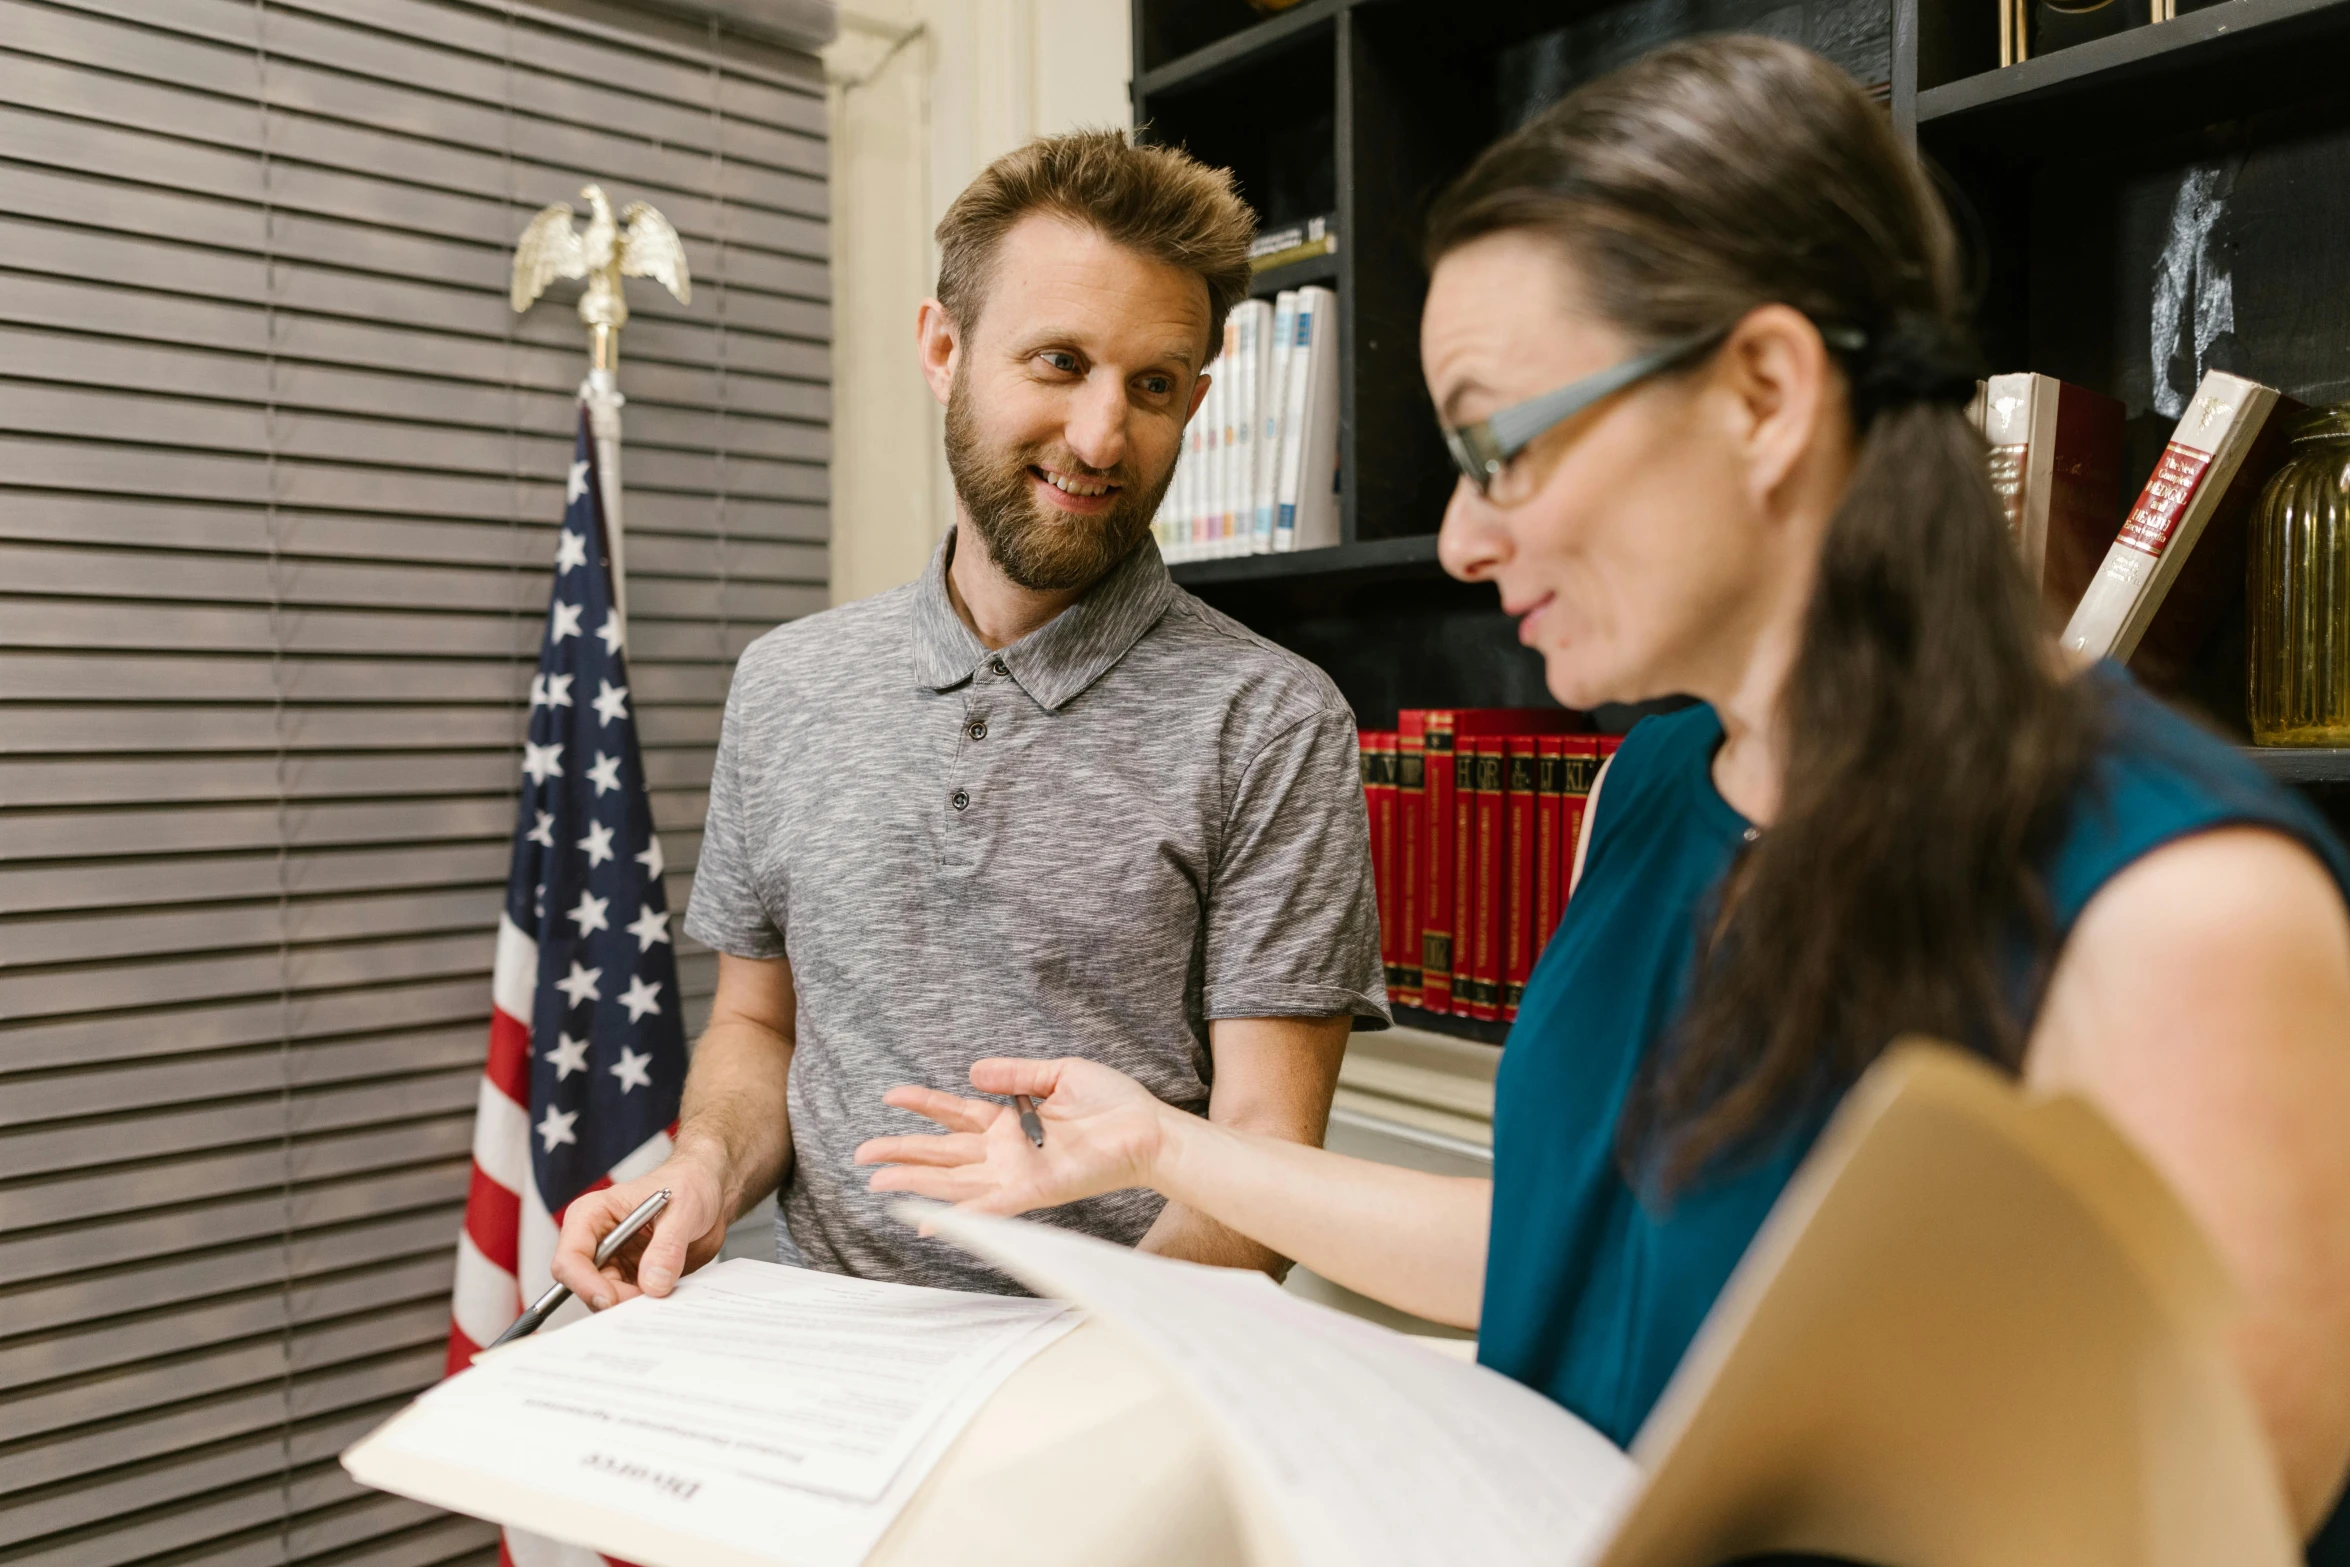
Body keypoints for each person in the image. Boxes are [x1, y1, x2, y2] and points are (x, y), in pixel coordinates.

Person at [855, 37, 2350, 1552]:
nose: (1457, 540)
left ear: (1761, 392)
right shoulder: (1639, 795)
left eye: (1497, 445)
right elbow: (1564, 1245)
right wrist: (1164, 1145)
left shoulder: (2185, 910)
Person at [551, 131, 1387, 1304]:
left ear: (1197, 398)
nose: (1102, 439)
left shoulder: (1272, 720)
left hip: (1117, 1371)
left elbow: (1262, 1158)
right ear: (943, 348)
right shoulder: (789, 681)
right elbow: (759, 1025)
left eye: (1153, 386)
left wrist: (1078, 1387)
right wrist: (700, 1167)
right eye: (1058, 362)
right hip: (817, 1343)